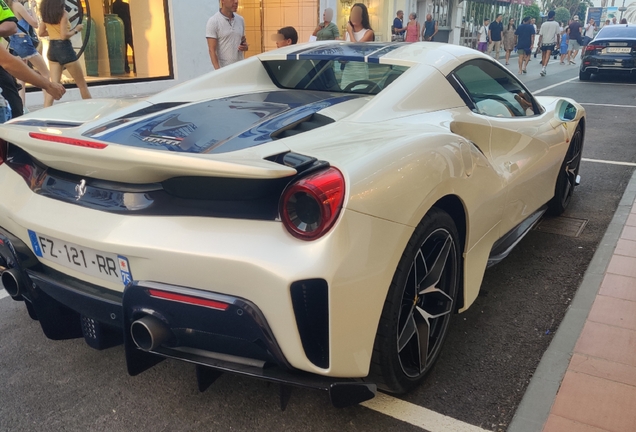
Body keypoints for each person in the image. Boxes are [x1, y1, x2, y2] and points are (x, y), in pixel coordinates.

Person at [38, 0, 91, 103]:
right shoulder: (63, 14)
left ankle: (46, 111)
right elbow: (63, 36)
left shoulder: (46, 15)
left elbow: (41, 32)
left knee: (53, 85)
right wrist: (76, 29)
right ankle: (91, 108)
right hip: (65, 49)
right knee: (81, 84)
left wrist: (53, 32)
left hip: (52, 49)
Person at [9, 0, 53, 108]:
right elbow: (35, 24)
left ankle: (22, 107)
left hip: (14, 42)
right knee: (46, 74)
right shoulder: (17, 5)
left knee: (21, 78)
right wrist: (33, 8)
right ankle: (47, 106)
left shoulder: (8, 6)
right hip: (23, 41)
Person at [206, 0, 248, 69]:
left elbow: (243, 40)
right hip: (224, 69)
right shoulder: (213, 21)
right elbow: (212, 50)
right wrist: (218, 71)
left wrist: (245, 46)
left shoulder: (240, 20)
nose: (236, 2)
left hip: (240, 68)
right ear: (223, 1)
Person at [341, 3, 373, 89]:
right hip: (347, 72)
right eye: (353, 13)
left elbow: (356, 49)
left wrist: (351, 32)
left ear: (363, 16)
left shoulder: (368, 33)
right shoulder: (346, 34)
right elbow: (344, 52)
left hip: (360, 72)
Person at [112, 0, 134, 73]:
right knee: (134, 49)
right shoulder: (126, 6)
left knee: (123, 51)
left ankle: (125, 68)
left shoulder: (113, 6)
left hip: (119, 30)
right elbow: (130, 17)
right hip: (128, 29)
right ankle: (136, 67)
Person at [538, 10, 560, 76]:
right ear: (553, 16)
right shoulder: (556, 24)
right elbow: (558, 34)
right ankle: (544, 68)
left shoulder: (544, 24)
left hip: (544, 42)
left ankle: (543, 68)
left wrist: (539, 43)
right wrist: (558, 43)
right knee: (548, 55)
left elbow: (540, 35)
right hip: (551, 42)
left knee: (543, 55)